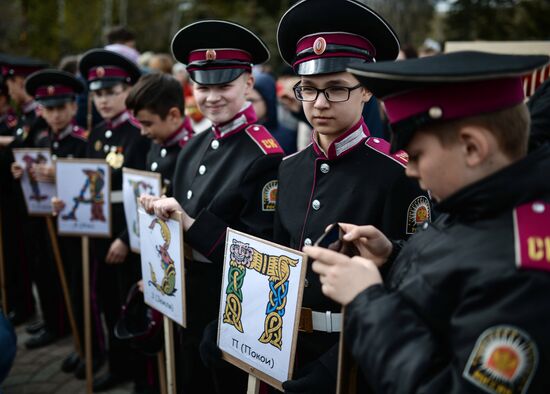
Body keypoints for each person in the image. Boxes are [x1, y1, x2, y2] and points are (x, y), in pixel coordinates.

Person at [306, 51, 550, 393]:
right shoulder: (471, 200)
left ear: (472, 148)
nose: (410, 170)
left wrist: (366, 300)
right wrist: (390, 256)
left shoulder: (524, 273)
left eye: (417, 155)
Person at [274, 1, 431, 392]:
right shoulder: (289, 168)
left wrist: (334, 367)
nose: (320, 103)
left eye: (336, 88)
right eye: (308, 89)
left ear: (367, 91)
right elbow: (279, 260)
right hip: (287, 346)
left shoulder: (398, 173)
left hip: (357, 358)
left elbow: (410, 283)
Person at [140, 20, 284, 393]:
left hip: (228, 308)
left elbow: (257, 256)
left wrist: (188, 223)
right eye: (204, 87)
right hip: (182, 295)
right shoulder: (193, 145)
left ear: (248, 84)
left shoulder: (264, 156)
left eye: (224, 86)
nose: (212, 97)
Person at [54, 48, 150, 391]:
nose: (104, 100)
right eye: (97, 94)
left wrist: (126, 237)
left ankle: (138, 372)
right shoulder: (95, 135)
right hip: (96, 232)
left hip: (128, 236)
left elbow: (146, 191)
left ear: (128, 90)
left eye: (111, 92)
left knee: (131, 305)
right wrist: (65, 203)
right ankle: (117, 363)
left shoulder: (140, 134)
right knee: (106, 301)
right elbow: (86, 184)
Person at [19, 69, 92, 373]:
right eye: (49, 109)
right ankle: (76, 341)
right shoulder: (40, 138)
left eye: (62, 107)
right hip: (48, 224)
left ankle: (87, 346)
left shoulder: (83, 141)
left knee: (79, 288)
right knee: (53, 280)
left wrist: (59, 173)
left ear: (74, 107)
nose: (56, 115)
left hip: (78, 228)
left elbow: (92, 181)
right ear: (40, 111)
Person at [249, 71, 298, 154]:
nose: (247, 105)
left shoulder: (288, 137)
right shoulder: (238, 134)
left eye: (251, 101)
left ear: (268, 101)